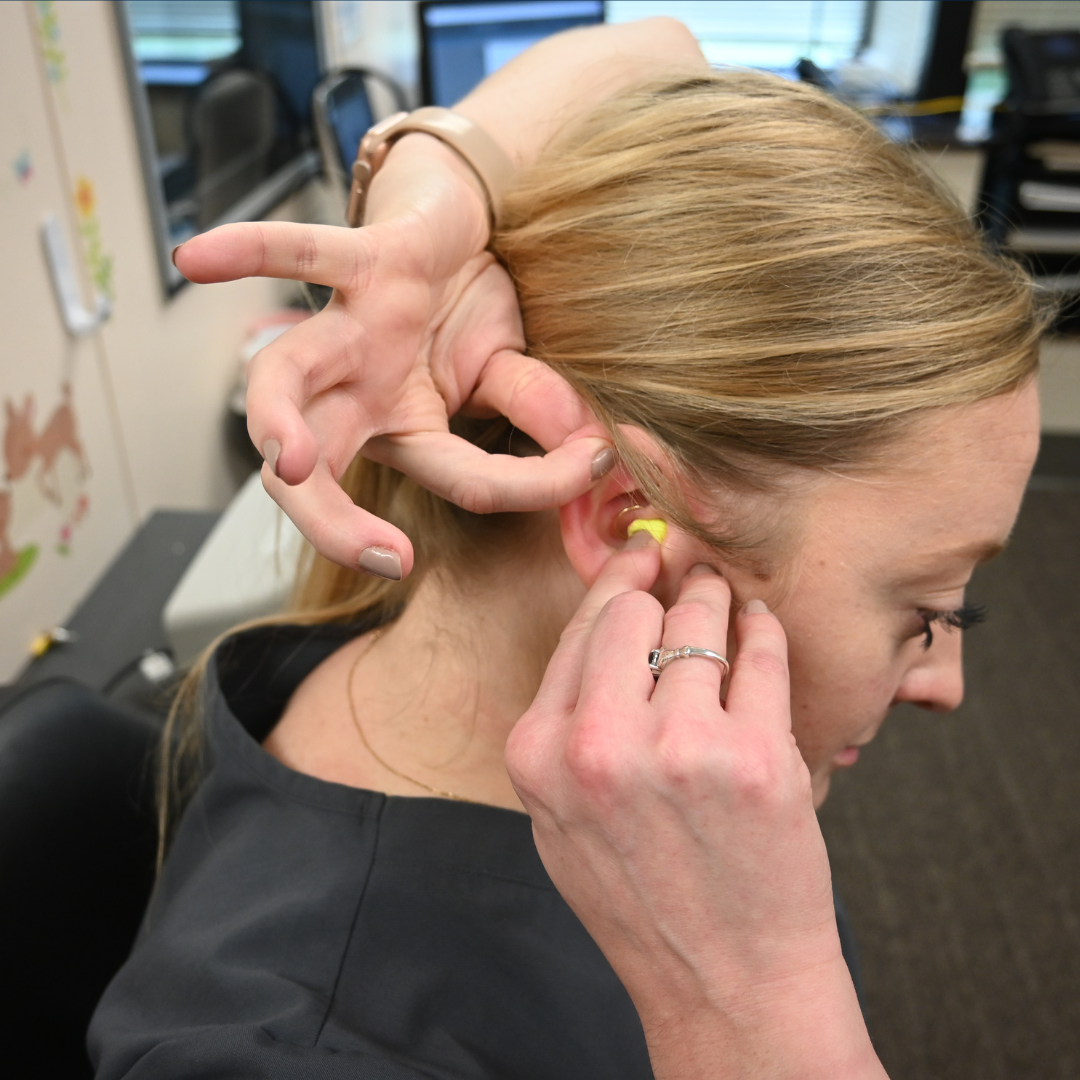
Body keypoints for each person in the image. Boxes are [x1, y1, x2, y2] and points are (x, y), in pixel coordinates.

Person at [90, 22, 1046, 1080]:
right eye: (929, 609)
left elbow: (661, 44)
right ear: (624, 514)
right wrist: (762, 1005)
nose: (946, 685)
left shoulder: (447, 651)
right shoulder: (278, 1050)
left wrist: (432, 193)